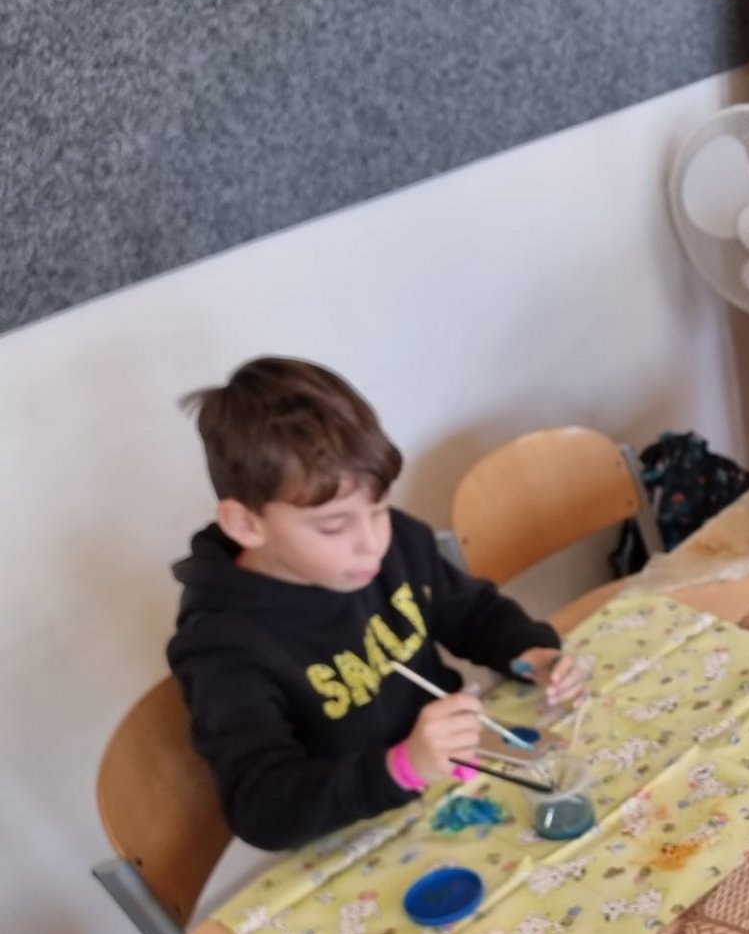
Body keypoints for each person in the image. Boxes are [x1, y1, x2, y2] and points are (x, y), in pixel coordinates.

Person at [167, 357, 582, 850]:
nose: (372, 543)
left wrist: (528, 651)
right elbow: (262, 808)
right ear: (246, 524)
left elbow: (470, 612)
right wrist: (401, 767)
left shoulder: (395, 542)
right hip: (354, 837)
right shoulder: (223, 644)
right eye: (333, 526)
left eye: (379, 508)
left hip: (457, 786)